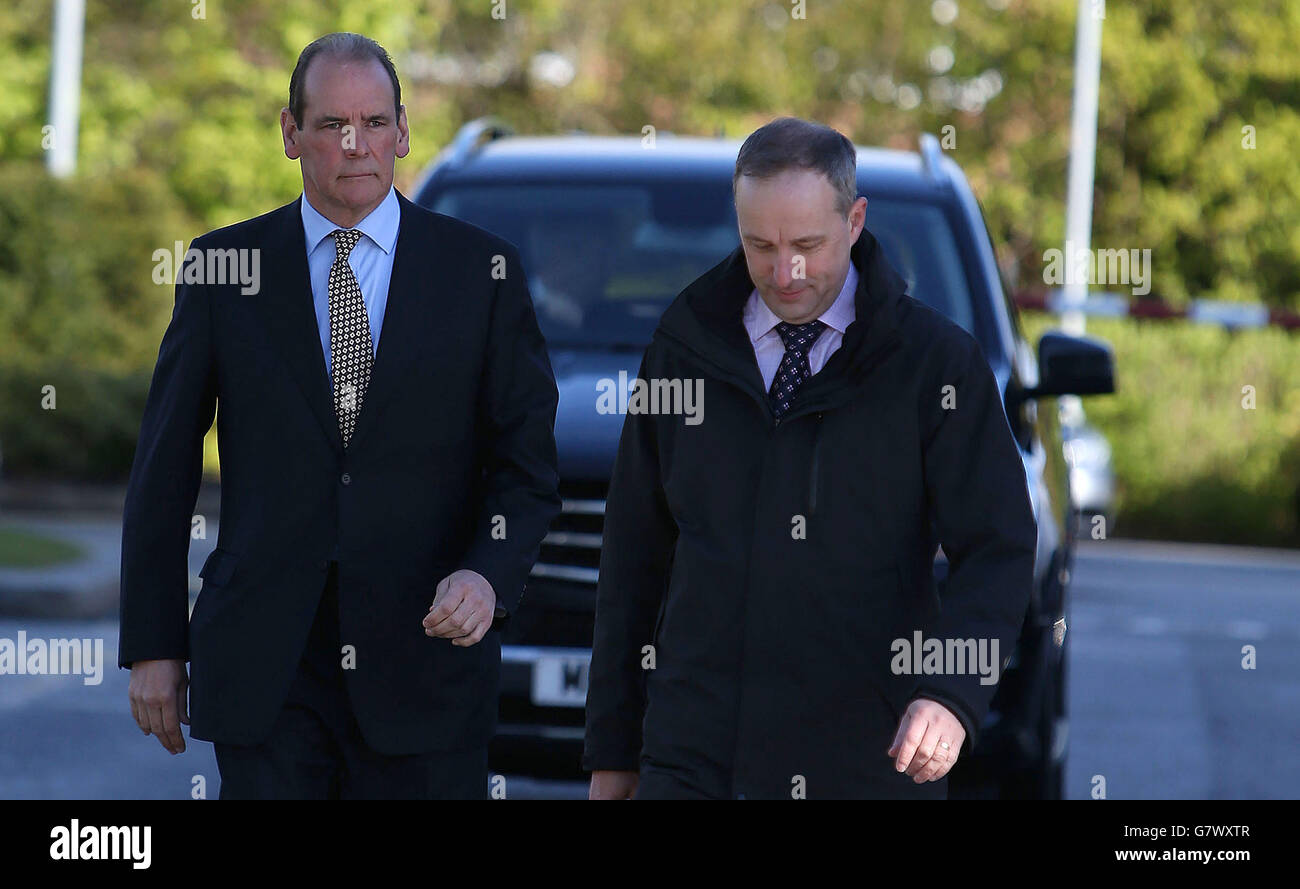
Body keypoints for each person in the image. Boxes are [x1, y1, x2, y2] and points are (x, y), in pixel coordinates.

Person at [119, 32, 560, 799]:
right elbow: (164, 470)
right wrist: (154, 645)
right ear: (291, 134)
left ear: (403, 130)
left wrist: (489, 576)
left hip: (426, 665)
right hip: (269, 670)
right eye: (331, 125)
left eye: (374, 122)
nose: (356, 145)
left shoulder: (481, 272)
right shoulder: (225, 269)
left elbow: (526, 467)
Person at [583, 117, 1037, 799]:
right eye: (760, 244)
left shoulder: (935, 365)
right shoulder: (685, 347)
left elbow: (998, 547)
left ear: (855, 221)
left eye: (807, 245)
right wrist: (614, 750)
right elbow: (633, 556)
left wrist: (951, 691)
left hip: (864, 763)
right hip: (694, 759)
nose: (784, 272)